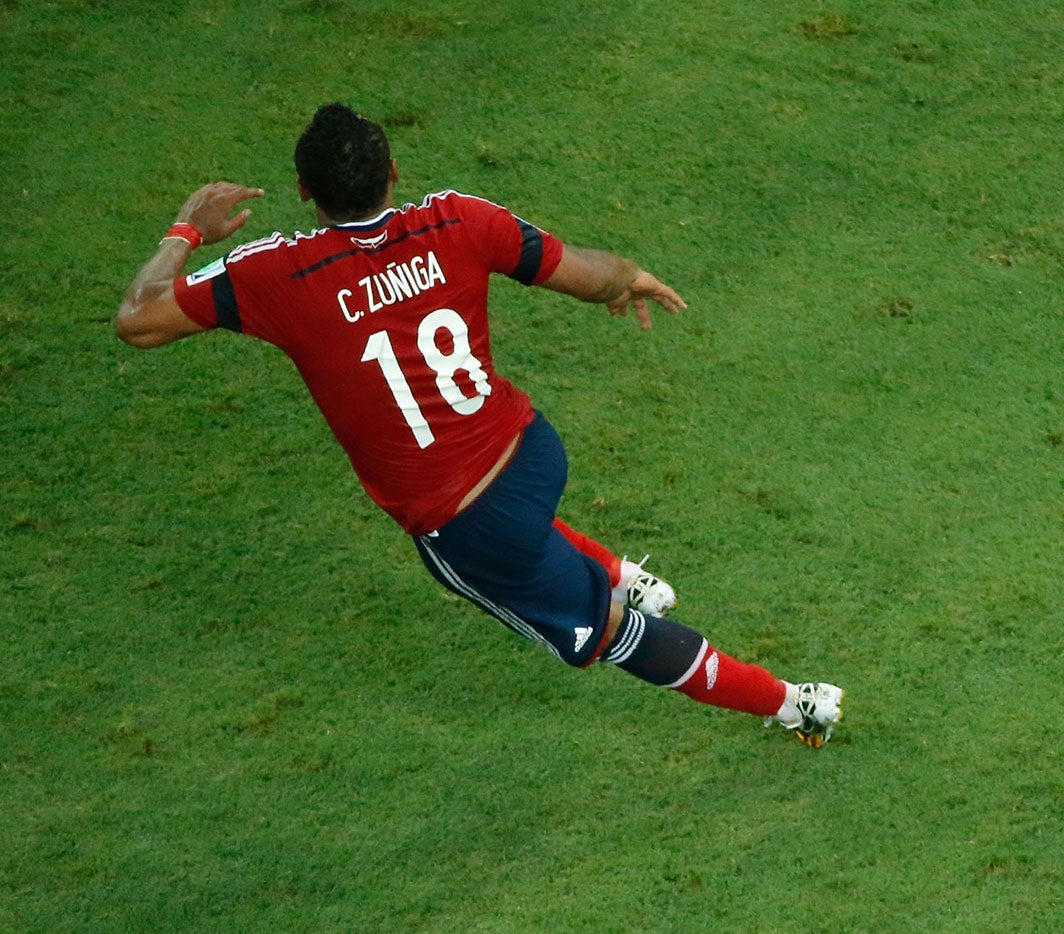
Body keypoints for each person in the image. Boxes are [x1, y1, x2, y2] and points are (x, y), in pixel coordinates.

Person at [115, 103, 842, 745]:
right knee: (524, 519)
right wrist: (631, 278)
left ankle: (790, 704)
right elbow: (594, 274)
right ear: (394, 173)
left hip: (470, 522)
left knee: (609, 639)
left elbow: (138, 322)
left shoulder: (274, 274)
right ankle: (622, 575)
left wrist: (186, 230)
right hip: (531, 450)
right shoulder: (460, 218)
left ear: (305, 190)